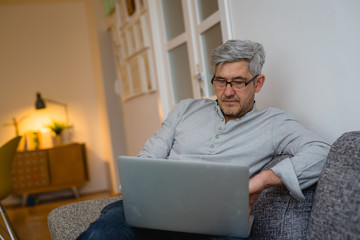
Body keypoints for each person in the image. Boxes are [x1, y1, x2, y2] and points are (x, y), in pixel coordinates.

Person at [77, 40, 331, 240]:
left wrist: (260, 181)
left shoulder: (275, 123)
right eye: (221, 82)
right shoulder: (185, 109)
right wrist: (143, 189)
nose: (228, 92)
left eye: (239, 82)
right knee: (103, 233)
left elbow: (322, 152)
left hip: (218, 224)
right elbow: (148, 159)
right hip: (157, 211)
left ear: (258, 83)